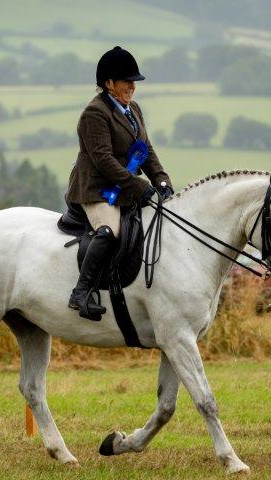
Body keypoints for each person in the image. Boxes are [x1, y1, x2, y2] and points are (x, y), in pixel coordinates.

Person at [65, 45, 173, 319]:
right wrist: (140, 186)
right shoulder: (95, 113)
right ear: (109, 83)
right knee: (110, 230)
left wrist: (161, 181)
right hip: (96, 190)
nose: (132, 87)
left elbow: (145, 150)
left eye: (134, 82)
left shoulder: (133, 109)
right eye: (127, 81)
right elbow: (103, 161)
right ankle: (81, 292)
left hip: (123, 187)